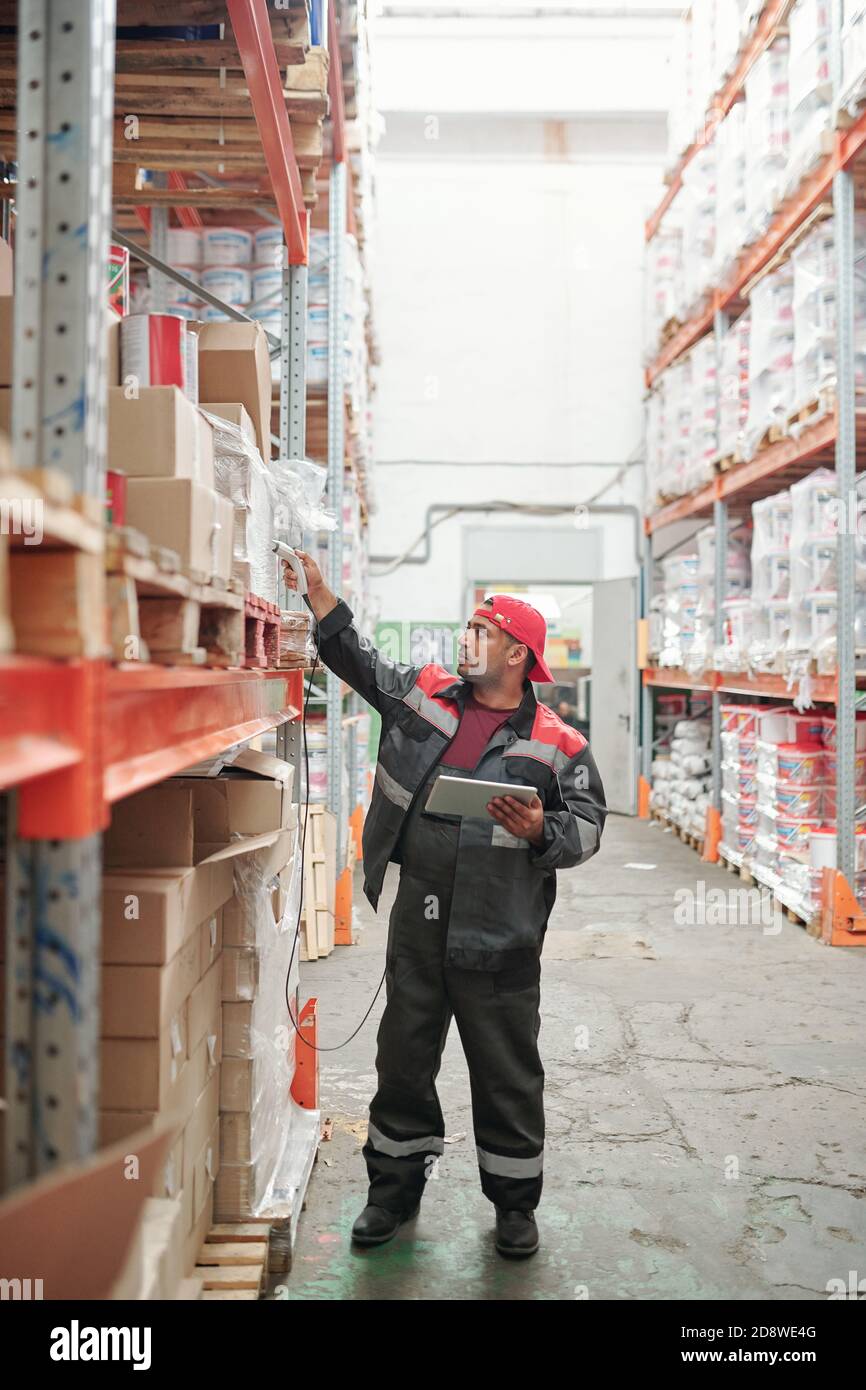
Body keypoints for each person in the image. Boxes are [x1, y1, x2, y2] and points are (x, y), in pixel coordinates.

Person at [284, 553, 607, 1258]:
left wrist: (540, 831)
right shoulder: (428, 692)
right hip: (421, 922)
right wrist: (319, 598)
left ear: (517, 653)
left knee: (507, 1077)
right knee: (402, 1064)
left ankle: (514, 1208)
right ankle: (391, 1196)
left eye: (479, 631)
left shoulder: (558, 743)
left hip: (501, 936)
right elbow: (359, 663)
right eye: (467, 627)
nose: (465, 640)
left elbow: (587, 824)